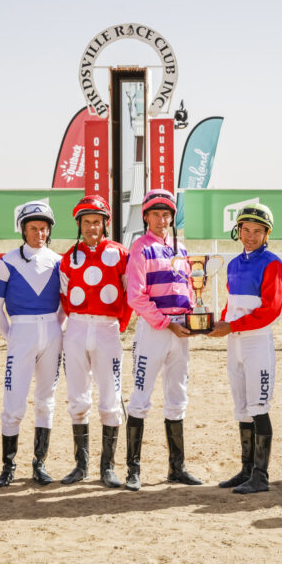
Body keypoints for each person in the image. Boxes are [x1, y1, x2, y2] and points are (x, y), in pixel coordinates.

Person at [207, 204, 282, 494]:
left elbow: (270, 311)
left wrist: (232, 326)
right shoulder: (233, 263)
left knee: (258, 406)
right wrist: (220, 323)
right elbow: (233, 303)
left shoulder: (274, 264)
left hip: (257, 342)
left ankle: (261, 475)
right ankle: (245, 469)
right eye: (245, 229)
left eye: (257, 231)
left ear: (267, 234)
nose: (250, 235)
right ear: (238, 231)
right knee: (241, 407)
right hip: (235, 343)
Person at [124, 189, 201, 491]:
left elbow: (189, 291)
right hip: (154, 331)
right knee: (141, 397)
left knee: (177, 397)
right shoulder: (140, 249)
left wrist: (194, 318)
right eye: (155, 214)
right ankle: (133, 469)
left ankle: (177, 468)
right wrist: (167, 322)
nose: (162, 219)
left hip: (180, 332)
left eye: (166, 214)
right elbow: (136, 297)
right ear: (145, 217)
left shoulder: (180, 249)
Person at [58, 195, 132, 487]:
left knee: (110, 400)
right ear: (79, 224)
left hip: (107, 329)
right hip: (76, 328)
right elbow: (64, 297)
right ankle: (81, 466)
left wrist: (119, 325)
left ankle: (108, 468)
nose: (92, 227)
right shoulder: (68, 257)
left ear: (105, 224)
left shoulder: (120, 253)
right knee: (77, 398)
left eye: (97, 222)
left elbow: (129, 294)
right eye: (86, 222)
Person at [0, 201, 64, 488]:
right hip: (20, 331)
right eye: (33, 228)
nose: (39, 233)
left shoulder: (59, 261)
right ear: (22, 229)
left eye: (44, 228)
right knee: (14, 403)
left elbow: (65, 305)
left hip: (51, 333)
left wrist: (55, 328)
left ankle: (39, 464)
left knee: (46, 400)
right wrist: (12, 335)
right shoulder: (7, 261)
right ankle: (8, 466)